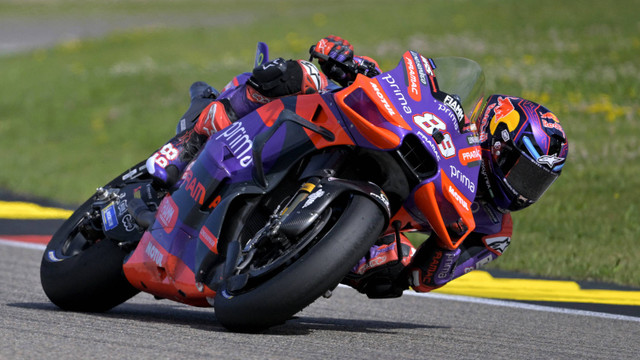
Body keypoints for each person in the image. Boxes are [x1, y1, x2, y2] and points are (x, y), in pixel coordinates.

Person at [146, 35, 569, 298]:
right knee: (301, 75)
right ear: (495, 137)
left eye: (537, 181)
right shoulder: (455, 124)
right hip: (363, 139)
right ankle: (191, 142)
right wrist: (349, 62)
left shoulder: (493, 228)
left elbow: (426, 277)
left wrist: (400, 270)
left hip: (369, 235)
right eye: (521, 170)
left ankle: (280, 260)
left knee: (387, 264)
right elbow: (404, 90)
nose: (523, 188)